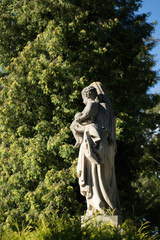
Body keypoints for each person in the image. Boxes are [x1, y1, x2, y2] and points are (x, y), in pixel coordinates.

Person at [71, 82, 121, 216]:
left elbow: (82, 119)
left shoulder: (93, 106)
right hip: (99, 144)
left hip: (94, 145)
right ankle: (96, 205)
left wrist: (78, 122)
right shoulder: (105, 110)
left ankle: (99, 206)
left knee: (95, 176)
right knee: (97, 177)